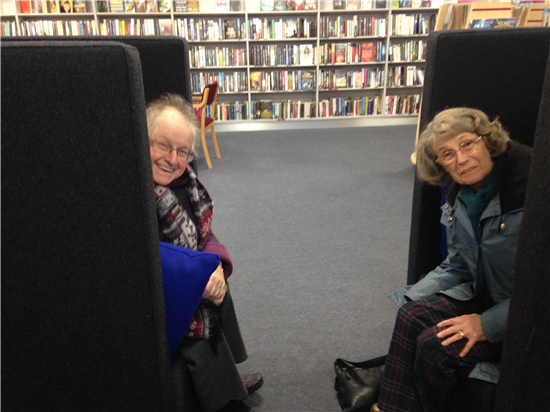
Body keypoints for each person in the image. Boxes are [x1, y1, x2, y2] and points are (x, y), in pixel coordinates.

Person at [372, 108, 532, 412]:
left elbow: (541, 293)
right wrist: (412, 295)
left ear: (488, 141)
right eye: (447, 154)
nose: (460, 159)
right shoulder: (460, 193)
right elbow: (459, 265)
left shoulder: (533, 188)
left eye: (467, 144)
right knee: (411, 315)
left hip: (526, 313)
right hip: (489, 293)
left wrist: (487, 324)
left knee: (437, 345)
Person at [146, 94, 263, 412]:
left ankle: (232, 379)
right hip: (158, 296)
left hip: (186, 277)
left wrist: (215, 265)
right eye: (163, 145)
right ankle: (229, 400)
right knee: (200, 334)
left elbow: (204, 233)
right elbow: (148, 260)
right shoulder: (135, 192)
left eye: (182, 151)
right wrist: (198, 275)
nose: (172, 158)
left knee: (220, 287)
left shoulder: (185, 184)